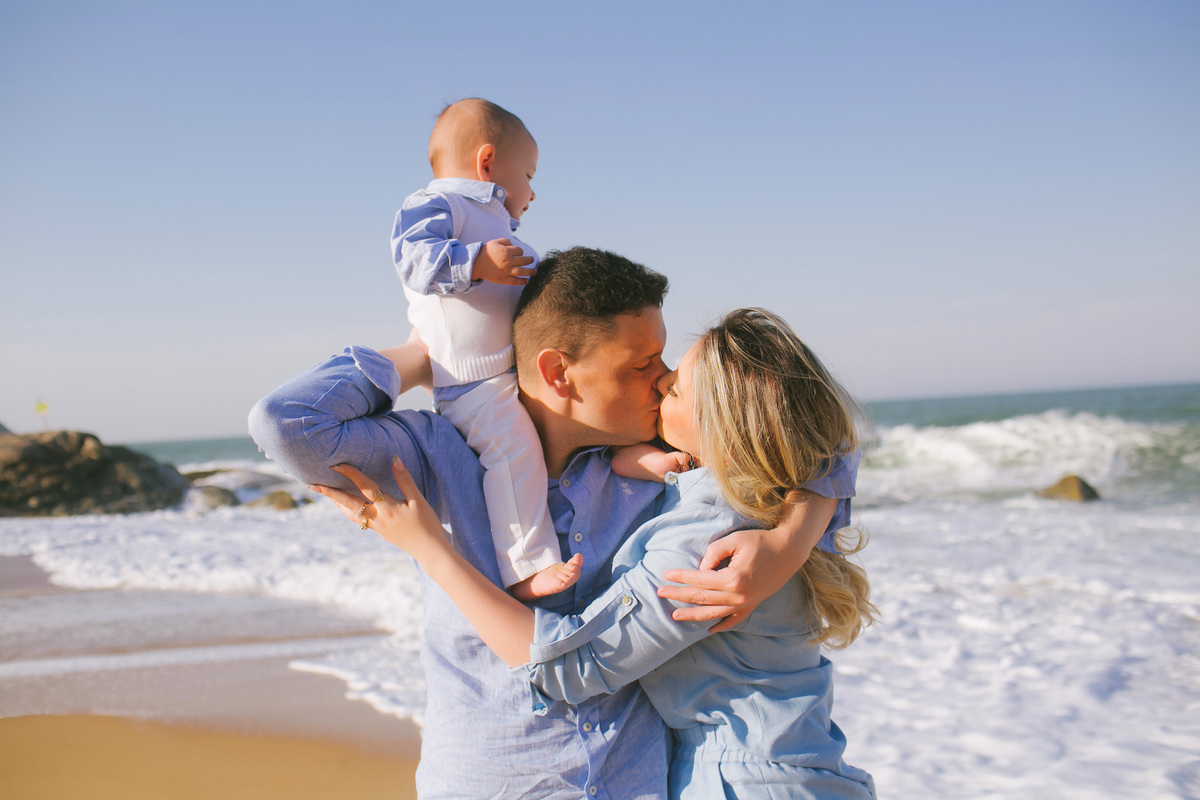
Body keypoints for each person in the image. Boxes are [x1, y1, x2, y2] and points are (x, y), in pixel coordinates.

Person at [249, 248, 823, 799]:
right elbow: (288, 422)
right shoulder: (439, 454)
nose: (664, 379)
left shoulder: (657, 456)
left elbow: (813, 437)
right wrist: (423, 358)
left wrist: (788, 540)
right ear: (558, 373)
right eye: (643, 364)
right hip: (491, 782)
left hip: (637, 782)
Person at [392, 99, 684, 600]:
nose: (532, 189)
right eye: (527, 173)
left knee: (554, 431)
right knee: (515, 454)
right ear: (487, 164)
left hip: (505, 368)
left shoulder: (491, 218)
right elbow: (412, 259)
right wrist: (407, 362)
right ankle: (525, 568)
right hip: (470, 380)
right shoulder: (437, 203)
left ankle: (625, 457)